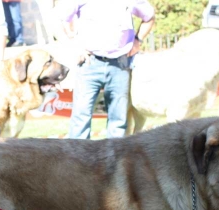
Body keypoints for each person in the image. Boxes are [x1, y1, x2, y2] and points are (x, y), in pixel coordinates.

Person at [57, 0, 155, 139]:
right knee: (81, 117)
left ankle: (113, 160)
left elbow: (149, 17)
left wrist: (138, 41)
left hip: (120, 63)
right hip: (89, 62)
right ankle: (77, 160)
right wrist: (74, 45)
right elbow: (61, 19)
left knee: (118, 120)